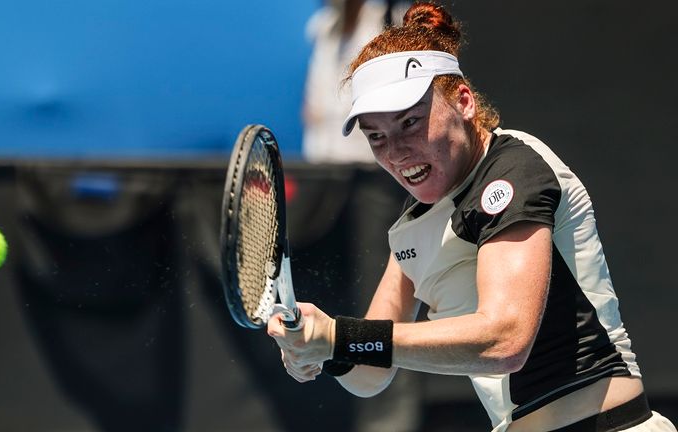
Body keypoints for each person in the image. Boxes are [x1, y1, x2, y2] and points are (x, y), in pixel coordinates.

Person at [268, 2, 678, 431]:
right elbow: (371, 371)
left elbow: (506, 338)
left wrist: (341, 337)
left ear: (463, 102)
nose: (396, 151)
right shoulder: (413, 224)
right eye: (377, 136)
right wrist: (321, 344)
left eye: (410, 122)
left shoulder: (515, 169)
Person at [302, 0, 408, 163]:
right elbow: (314, 95)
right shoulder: (321, 26)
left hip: (369, 162)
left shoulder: (391, 19)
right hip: (320, 156)